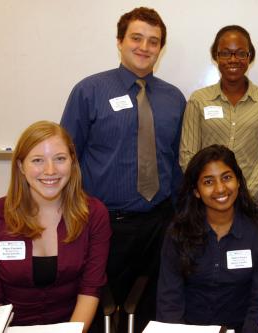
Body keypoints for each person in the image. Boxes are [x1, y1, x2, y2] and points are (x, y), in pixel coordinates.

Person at [60, 7, 186, 331]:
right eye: (136, 38)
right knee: (103, 310)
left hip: (159, 224)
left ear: (161, 48)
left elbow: (175, 160)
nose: (144, 47)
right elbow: (67, 157)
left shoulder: (174, 98)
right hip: (105, 224)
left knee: (152, 310)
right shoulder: (88, 91)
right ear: (119, 41)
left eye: (153, 41)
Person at [0, 121, 111, 332]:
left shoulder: (94, 215)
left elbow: (90, 289)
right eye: (37, 160)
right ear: (21, 166)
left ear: (72, 161)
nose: (50, 170)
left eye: (60, 159)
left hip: (74, 327)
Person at [157, 145, 258, 333]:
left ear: (238, 181)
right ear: (196, 190)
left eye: (227, 178)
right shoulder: (178, 233)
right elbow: (169, 302)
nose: (220, 189)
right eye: (208, 182)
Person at [179, 25, 258, 209]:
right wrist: (208, 192)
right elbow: (188, 154)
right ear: (216, 57)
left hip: (251, 205)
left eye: (241, 53)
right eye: (225, 53)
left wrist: (244, 196)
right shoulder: (198, 100)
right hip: (207, 205)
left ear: (250, 57)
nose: (233, 59)